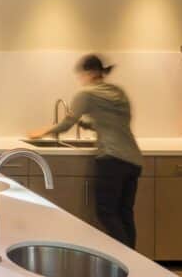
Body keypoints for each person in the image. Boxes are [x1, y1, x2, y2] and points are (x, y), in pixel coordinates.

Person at [29, 54, 143, 248]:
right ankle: (135, 260)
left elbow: (66, 124)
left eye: (81, 75)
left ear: (89, 73)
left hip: (112, 158)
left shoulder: (88, 93)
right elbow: (116, 122)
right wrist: (85, 122)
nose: (81, 79)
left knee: (106, 212)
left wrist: (43, 132)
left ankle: (127, 259)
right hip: (133, 159)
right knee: (124, 213)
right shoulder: (118, 92)